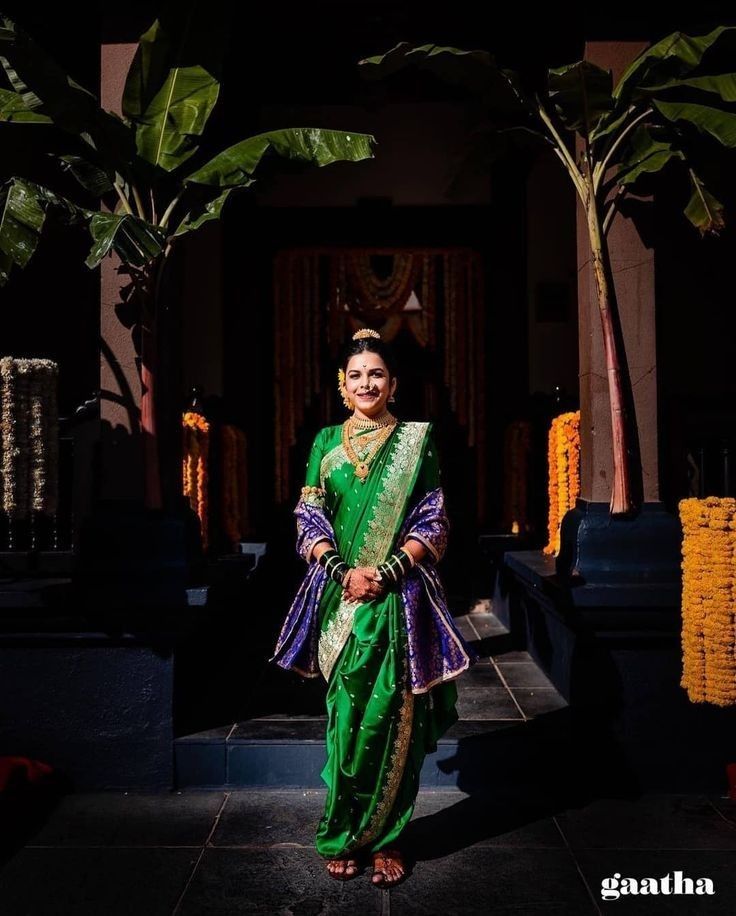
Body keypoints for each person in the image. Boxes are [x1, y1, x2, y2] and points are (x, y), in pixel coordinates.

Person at [272, 327, 473, 886]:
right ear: (342, 384)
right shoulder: (323, 443)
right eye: (356, 375)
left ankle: (388, 840)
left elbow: (433, 517)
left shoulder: (416, 440)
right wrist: (343, 572)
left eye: (376, 374)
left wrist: (386, 573)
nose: (367, 383)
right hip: (341, 601)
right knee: (345, 723)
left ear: (393, 383)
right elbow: (308, 518)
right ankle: (342, 834)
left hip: (397, 601)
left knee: (391, 721)